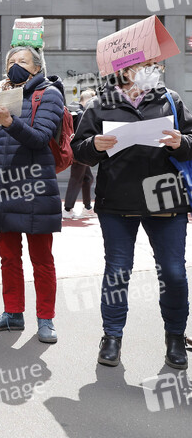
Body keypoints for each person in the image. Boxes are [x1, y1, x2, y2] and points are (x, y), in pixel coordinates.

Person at [72, 24, 190, 369]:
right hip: (117, 202)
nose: (155, 68)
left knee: (173, 273)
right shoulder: (99, 104)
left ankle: (174, 336)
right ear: (126, 69)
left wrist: (181, 142)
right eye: (147, 63)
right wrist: (94, 145)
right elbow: (79, 150)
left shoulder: (170, 99)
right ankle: (111, 336)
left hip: (165, 200)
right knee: (117, 271)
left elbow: (191, 139)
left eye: (156, 64)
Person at [0, 44, 64, 344]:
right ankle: (13, 313)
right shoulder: (6, 93)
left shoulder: (49, 94)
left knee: (41, 259)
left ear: (37, 68)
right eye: (11, 62)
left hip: (35, 187)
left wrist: (10, 122)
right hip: (4, 185)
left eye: (23, 61)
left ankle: (46, 319)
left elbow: (40, 138)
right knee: (8, 257)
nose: (15, 65)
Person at [63, 89, 96, 219]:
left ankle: (87, 207)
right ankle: (68, 209)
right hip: (79, 151)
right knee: (76, 179)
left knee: (88, 178)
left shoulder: (75, 111)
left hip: (75, 150)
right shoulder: (82, 113)